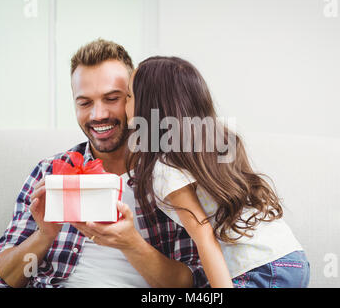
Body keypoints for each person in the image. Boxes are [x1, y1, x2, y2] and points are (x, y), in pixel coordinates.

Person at [0, 40, 208, 288]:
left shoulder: (171, 178)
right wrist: (44, 236)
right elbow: (0, 280)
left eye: (112, 98)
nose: (97, 115)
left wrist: (131, 243)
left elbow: (194, 284)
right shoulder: (51, 170)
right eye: (85, 103)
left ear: (135, 99)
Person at [124, 56, 310, 288]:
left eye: (129, 95)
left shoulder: (165, 168)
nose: (124, 103)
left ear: (149, 105)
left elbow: (204, 237)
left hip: (256, 269)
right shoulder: (218, 142)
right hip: (291, 257)